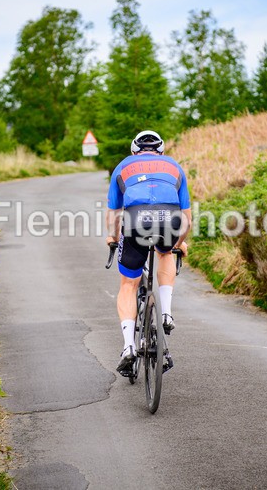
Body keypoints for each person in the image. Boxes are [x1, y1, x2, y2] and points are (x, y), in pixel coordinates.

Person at [105, 130, 192, 375]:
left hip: (135, 221)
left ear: (134, 150)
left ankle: (129, 347)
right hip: (169, 219)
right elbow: (187, 218)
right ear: (161, 151)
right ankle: (166, 313)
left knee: (128, 285)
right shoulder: (174, 167)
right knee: (165, 253)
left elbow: (113, 214)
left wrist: (113, 237)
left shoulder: (122, 167)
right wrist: (179, 242)